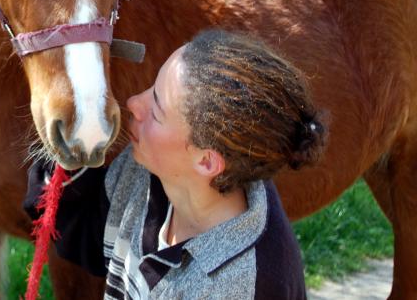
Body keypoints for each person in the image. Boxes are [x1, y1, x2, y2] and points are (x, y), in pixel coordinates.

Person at [24, 29, 327, 299]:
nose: (133, 104)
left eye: (156, 109)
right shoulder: (150, 174)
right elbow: (88, 235)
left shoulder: (244, 287)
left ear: (207, 161)